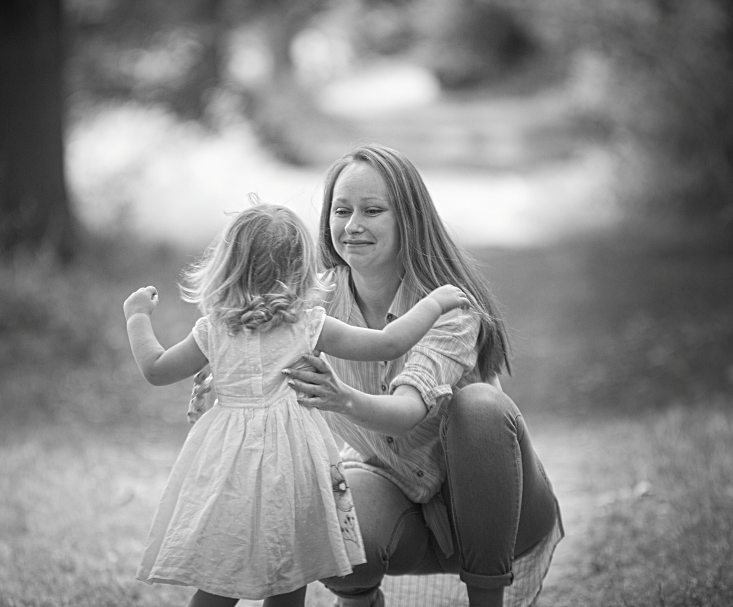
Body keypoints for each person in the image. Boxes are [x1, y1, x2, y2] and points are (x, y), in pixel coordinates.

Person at [123, 201, 476, 607]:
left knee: (223, 568)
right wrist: (435, 303)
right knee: (291, 568)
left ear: (227, 266)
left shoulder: (213, 331)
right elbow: (389, 343)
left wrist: (137, 316)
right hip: (291, 466)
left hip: (229, 467)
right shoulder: (308, 325)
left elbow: (156, 369)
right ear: (300, 269)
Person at [276, 145, 563, 607]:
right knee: (328, 508)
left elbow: (407, 410)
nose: (353, 225)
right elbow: (257, 351)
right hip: (392, 494)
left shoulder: (449, 306)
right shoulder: (309, 305)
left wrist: (341, 398)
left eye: (372, 210)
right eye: (342, 210)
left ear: (408, 219)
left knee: (480, 407)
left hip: (494, 510)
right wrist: (223, 377)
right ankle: (358, 598)